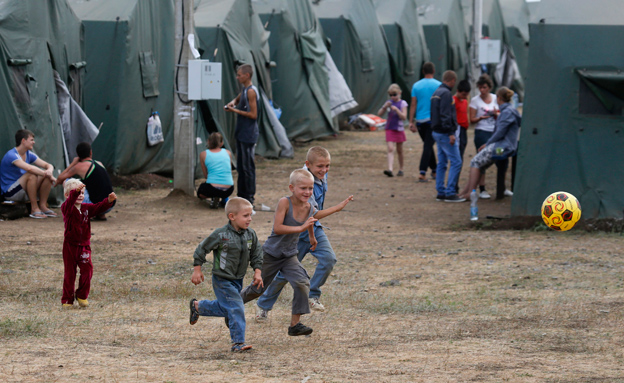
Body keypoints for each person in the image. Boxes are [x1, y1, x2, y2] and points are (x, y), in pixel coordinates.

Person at [240, 169, 353, 336]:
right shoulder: (284, 203)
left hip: (289, 255)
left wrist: (312, 237)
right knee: (257, 290)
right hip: (272, 254)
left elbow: (312, 220)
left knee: (301, 282)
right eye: (303, 188)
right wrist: (300, 228)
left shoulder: (309, 206)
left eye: (310, 188)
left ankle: (295, 325)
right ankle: (229, 305)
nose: (307, 192)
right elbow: (278, 228)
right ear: (292, 188)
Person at [255, 147, 340, 320]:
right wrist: (338, 208)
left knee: (329, 259)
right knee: (283, 275)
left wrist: (313, 233)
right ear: (308, 165)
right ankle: (263, 306)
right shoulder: (303, 182)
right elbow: (313, 212)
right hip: (297, 233)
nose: (324, 170)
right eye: (320, 167)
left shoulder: (320, 175)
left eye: (327, 166)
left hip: (313, 228)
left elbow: (313, 216)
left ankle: (313, 295)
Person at [189, 197, 263, 353]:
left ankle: (198, 307)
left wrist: (258, 272)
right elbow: (201, 249)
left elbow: (257, 254)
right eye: (245, 216)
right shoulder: (221, 234)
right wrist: (197, 269)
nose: (249, 219)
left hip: (238, 279)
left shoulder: (251, 235)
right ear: (232, 216)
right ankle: (238, 343)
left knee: (228, 307)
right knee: (236, 307)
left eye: (251, 215)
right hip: (222, 279)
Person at [60, 179, 116, 308]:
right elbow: (70, 202)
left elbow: (98, 207)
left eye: (82, 193)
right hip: (70, 246)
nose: (80, 195)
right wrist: (76, 191)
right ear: (67, 195)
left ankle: (81, 295)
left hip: (84, 245)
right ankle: (67, 299)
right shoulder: (66, 208)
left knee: (87, 270)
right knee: (70, 273)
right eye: (76, 193)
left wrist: (108, 201)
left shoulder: (86, 208)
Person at [459, 87, 521, 200]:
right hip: (507, 147)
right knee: (480, 162)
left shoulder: (506, 112)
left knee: (476, 162)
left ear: (499, 98)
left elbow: (500, 132)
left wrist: (487, 144)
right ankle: (466, 191)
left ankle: (470, 193)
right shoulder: (512, 110)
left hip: (502, 148)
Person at [0, 129, 57, 218]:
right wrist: (53, 178)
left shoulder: (29, 154)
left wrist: (49, 171)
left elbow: (47, 165)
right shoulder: (11, 155)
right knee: (31, 174)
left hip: (24, 190)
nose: (33, 142)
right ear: (23, 140)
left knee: (44, 175)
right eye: (31, 140)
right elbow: (29, 168)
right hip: (10, 193)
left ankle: (42, 206)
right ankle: (34, 209)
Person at [54, 142, 115, 220]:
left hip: (96, 205)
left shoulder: (78, 167)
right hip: (110, 204)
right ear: (90, 152)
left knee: (67, 181)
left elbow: (60, 179)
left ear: (78, 155)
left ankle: (85, 213)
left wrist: (72, 164)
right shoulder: (99, 163)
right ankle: (100, 215)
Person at [225, 64, 258, 206]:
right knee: (241, 166)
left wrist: (235, 111)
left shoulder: (251, 91)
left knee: (248, 167)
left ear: (247, 75)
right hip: (241, 133)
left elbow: (253, 114)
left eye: (239, 75)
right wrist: (232, 103)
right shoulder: (244, 90)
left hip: (248, 134)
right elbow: (237, 99)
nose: (237, 77)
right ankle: (241, 195)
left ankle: (249, 197)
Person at [430, 71, 465, 203]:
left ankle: (441, 191)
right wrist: (451, 132)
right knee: (456, 161)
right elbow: (445, 114)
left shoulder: (436, 93)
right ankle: (450, 192)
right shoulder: (446, 94)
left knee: (442, 162)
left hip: (436, 132)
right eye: (454, 82)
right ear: (451, 80)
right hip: (445, 133)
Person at [409, 62, 441, 182]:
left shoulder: (416, 86)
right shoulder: (439, 85)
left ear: (423, 71)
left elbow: (413, 104)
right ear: (433, 71)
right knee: (428, 146)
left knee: (428, 145)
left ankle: (434, 170)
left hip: (420, 120)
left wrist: (411, 121)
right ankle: (422, 172)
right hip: (433, 120)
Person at [469, 74, 499, 199]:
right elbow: (471, 119)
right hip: (482, 132)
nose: (482, 90)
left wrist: (497, 115)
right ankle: (482, 188)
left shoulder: (495, 98)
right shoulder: (475, 101)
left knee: (499, 155)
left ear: (489, 87)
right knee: (482, 159)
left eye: (484, 87)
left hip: (495, 132)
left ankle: (502, 187)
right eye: (480, 88)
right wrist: (480, 118)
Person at [197, 132, 234, 209]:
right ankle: (224, 199)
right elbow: (229, 171)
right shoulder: (228, 152)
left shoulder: (203, 154)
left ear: (208, 141)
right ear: (221, 143)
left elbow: (206, 175)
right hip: (229, 189)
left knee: (200, 192)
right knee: (222, 186)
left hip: (212, 188)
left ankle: (214, 197)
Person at [377, 84, 408, 177]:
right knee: (390, 148)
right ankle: (390, 169)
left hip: (399, 129)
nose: (392, 97)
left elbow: (404, 117)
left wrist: (397, 110)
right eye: (390, 95)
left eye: (394, 94)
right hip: (390, 128)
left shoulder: (403, 103)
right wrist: (385, 107)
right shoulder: (389, 103)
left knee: (399, 150)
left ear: (399, 93)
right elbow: (379, 114)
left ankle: (401, 168)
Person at [453, 80, 471, 192]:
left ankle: (455, 183)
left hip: (463, 130)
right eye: (463, 94)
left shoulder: (465, 101)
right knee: (457, 158)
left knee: (461, 157)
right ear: (458, 91)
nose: (465, 97)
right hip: (457, 130)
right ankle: (454, 185)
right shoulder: (453, 101)